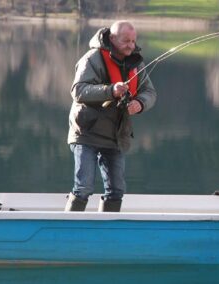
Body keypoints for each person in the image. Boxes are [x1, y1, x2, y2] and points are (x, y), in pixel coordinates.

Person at [65, 21, 157, 212]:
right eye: (126, 41)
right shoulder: (92, 58)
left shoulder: (136, 62)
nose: (131, 45)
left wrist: (139, 104)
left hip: (116, 134)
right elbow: (78, 90)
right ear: (112, 39)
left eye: (133, 41)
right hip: (86, 132)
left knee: (116, 190)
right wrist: (110, 90)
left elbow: (149, 93)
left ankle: (105, 232)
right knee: (83, 187)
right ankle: (70, 231)